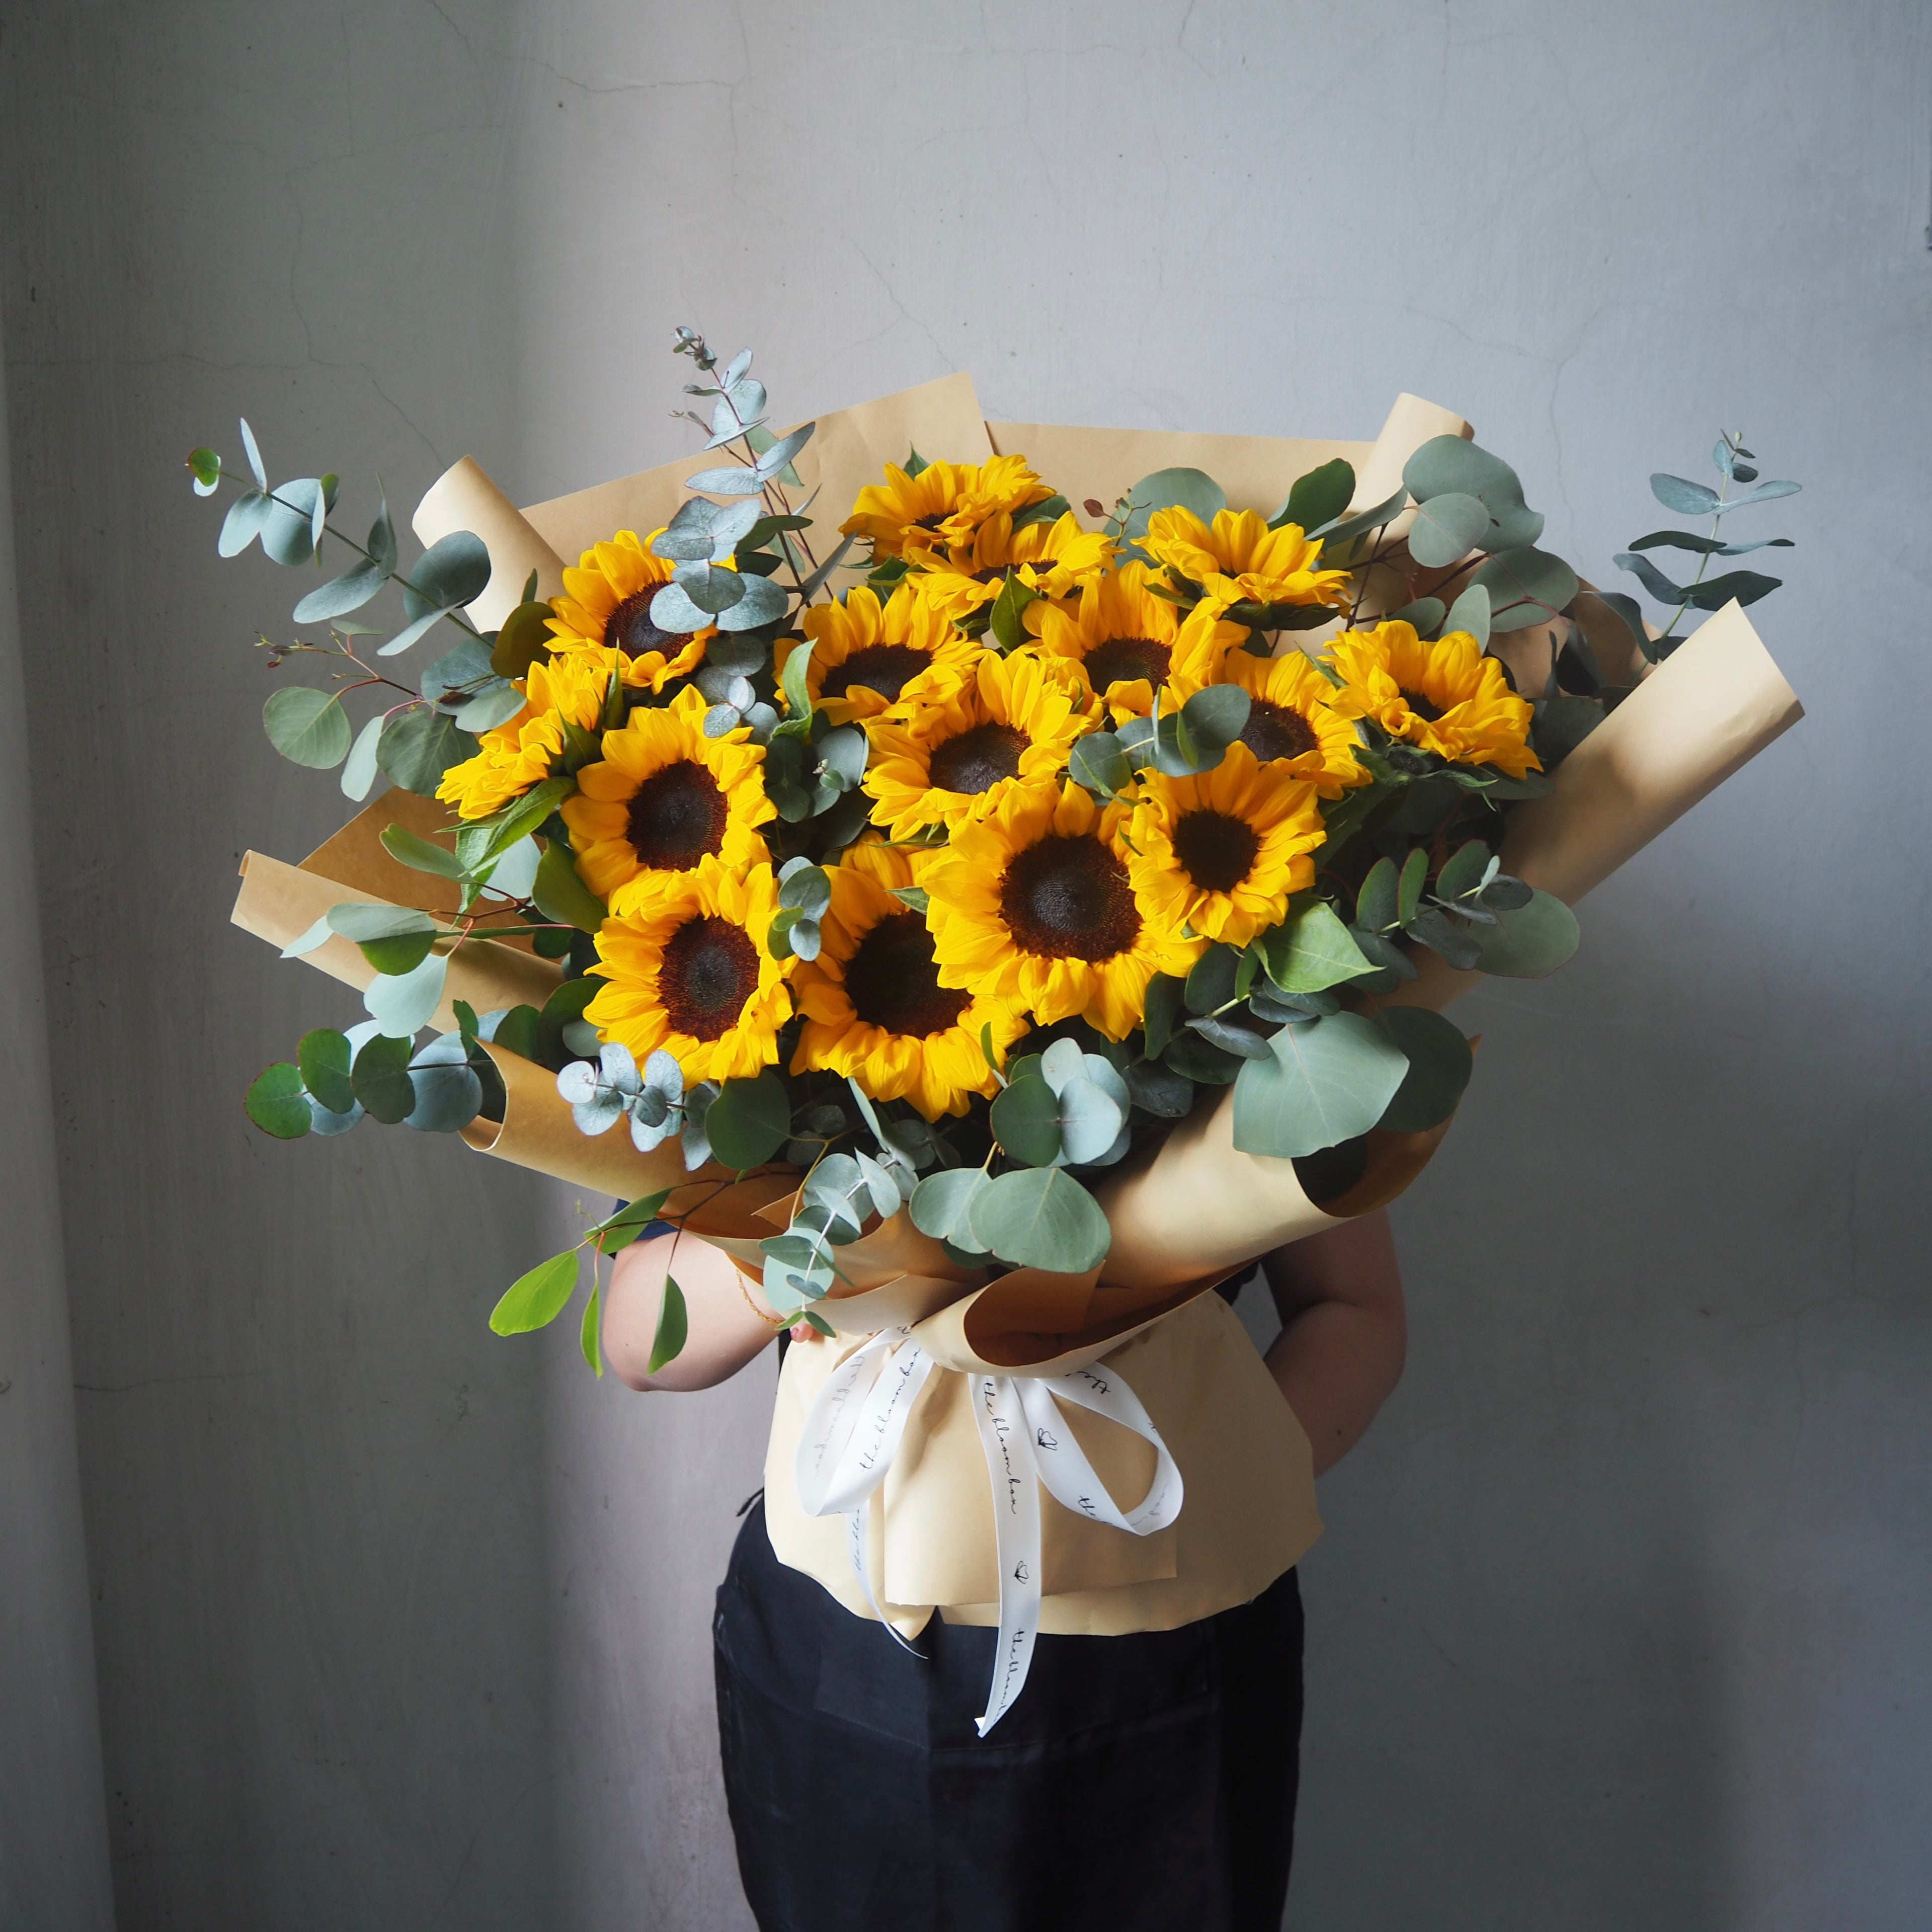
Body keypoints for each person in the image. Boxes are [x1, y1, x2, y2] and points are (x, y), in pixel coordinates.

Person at [602, 1212, 1406, 1932]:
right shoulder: (757, 1048)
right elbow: (638, 1338)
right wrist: (832, 1217)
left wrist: (1228, 1486)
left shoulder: (1267, 1042)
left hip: (1178, 1650)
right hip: (843, 1655)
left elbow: (1354, 1307)